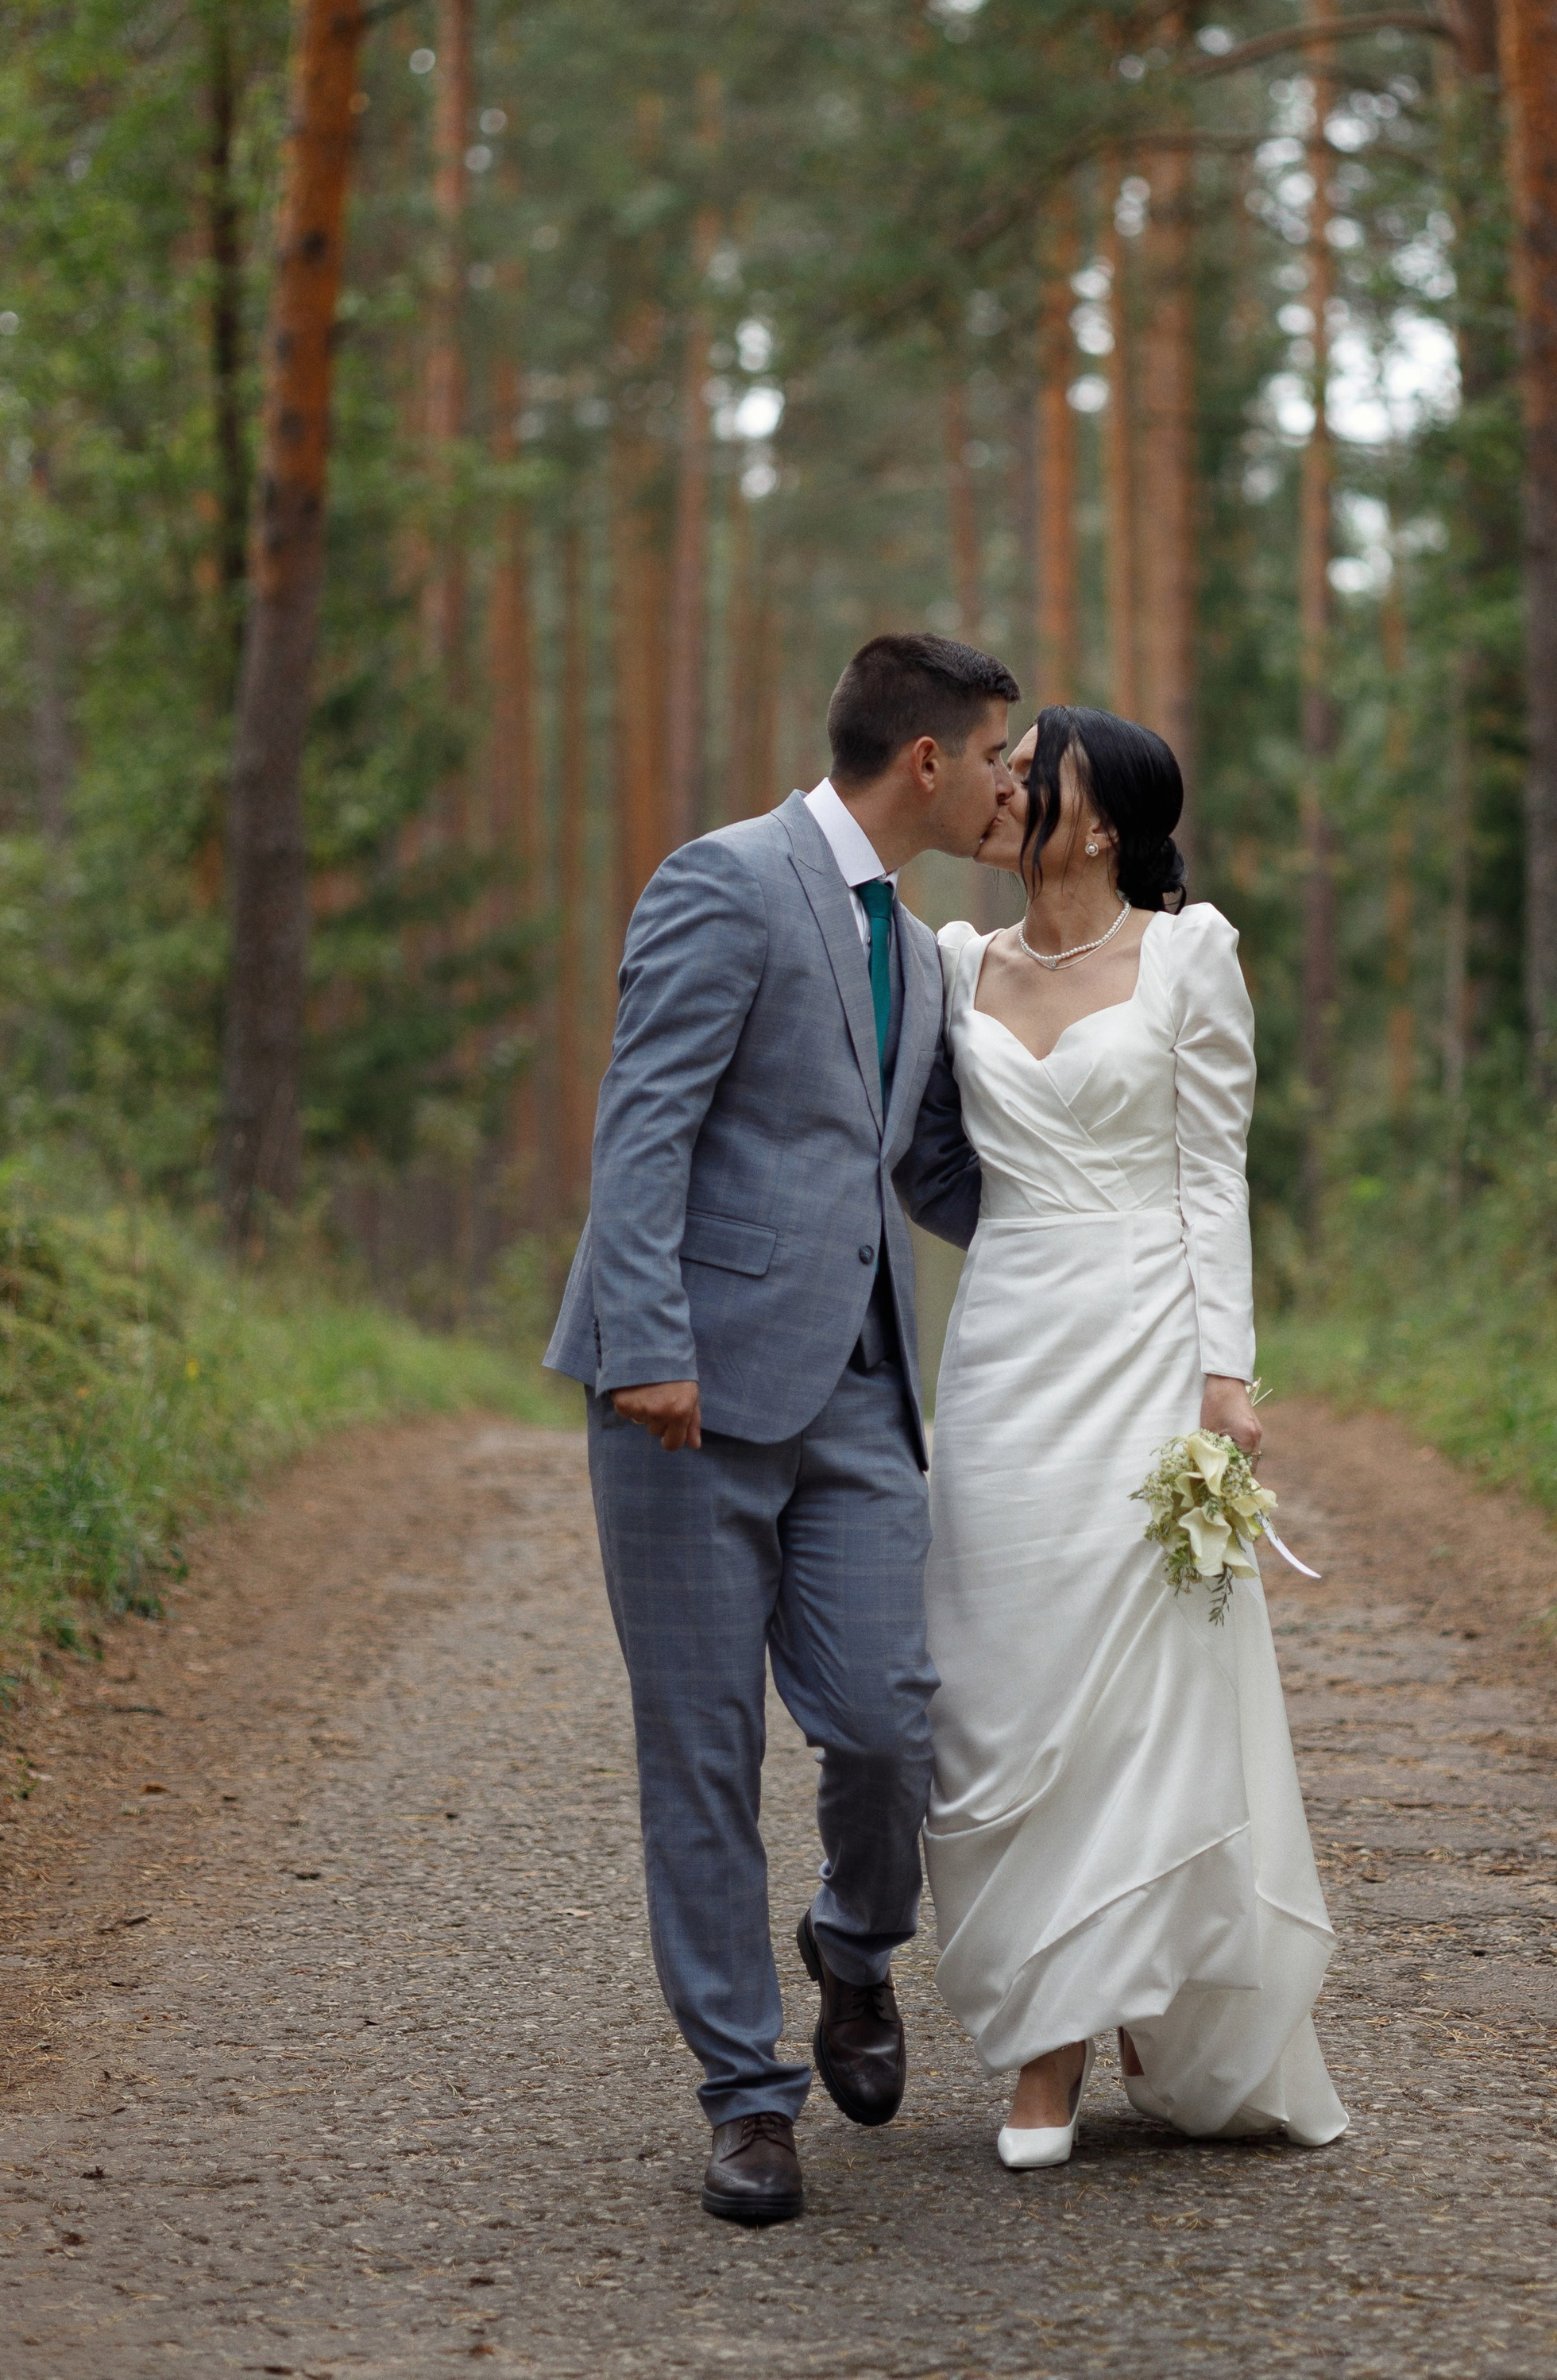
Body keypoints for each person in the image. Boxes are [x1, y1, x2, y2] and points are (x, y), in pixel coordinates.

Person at [543, 632, 1019, 2226]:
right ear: (928, 761)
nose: (1014, 779)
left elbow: (925, 1170)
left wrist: (1109, 1221)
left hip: (866, 1396)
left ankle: (850, 1942)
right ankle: (746, 2102)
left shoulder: (921, 938)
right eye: (998, 754)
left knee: (890, 1720)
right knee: (701, 1754)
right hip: (687, 1400)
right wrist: (645, 1342)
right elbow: (647, 1118)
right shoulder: (723, 881)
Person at [924, 704, 1349, 2168]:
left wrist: (1226, 1376)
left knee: (1127, 1693)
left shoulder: (1189, 955)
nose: (1009, 786)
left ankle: (1052, 2056)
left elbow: (1211, 1171)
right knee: (1002, 1684)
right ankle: (1086, 1985)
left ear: (1103, 824)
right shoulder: (945, 964)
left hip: (1142, 1344)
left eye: (1038, 774)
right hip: (1000, 1353)